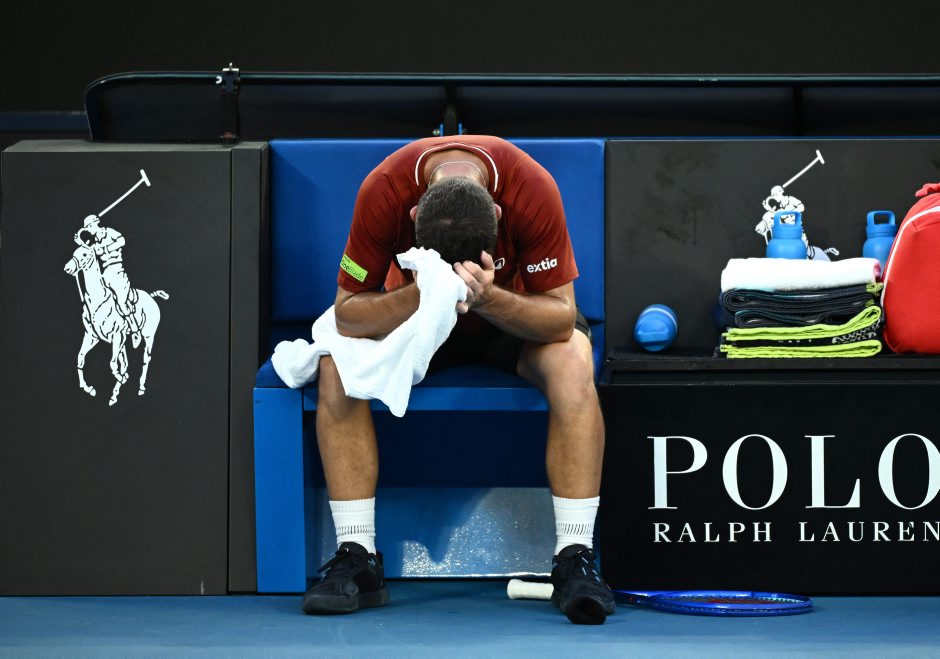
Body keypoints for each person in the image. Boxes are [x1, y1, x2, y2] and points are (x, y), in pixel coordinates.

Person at [302, 135, 614, 624]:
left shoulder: (531, 185)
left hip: (508, 320)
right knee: (335, 365)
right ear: (412, 216)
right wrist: (425, 291)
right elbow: (347, 314)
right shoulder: (383, 189)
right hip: (415, 321)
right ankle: (358, 556)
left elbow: (560, 316)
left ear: (498, 212)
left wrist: (487, 297)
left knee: (574, 358)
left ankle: (575, 556)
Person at [78, 214, 142, 347]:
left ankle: (135, 330)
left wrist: (106, 249)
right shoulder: (95, 242)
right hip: (105, 274)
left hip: (117, 271)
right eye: (87, 228)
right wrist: (80, 242)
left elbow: (122, 241)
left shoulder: (109, 232)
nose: (88, 229)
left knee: (121, 302)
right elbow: (88, 252)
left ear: (95, 224)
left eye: (89, 227)